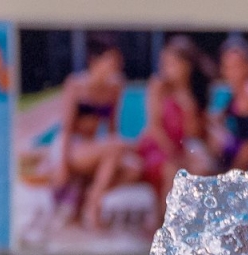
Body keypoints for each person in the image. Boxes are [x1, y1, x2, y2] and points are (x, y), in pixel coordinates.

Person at [53, 34, 140, 230]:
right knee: (118, 145)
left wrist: (118, 151)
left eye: (117, 61)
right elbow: (66, 130)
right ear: (94, 61)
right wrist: (62, 165)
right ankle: (93, 207)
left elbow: (112, 129)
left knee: (134, 168)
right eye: (111, 61)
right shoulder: (76, 85)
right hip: (71, 147)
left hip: (94, 147)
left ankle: (90, 197)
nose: (116, 66)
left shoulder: (115, 87)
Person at [137, 36, 216, 214]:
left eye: (171, 64)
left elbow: (192, 134)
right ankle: (164, 221)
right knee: (172, 170)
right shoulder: (158, 86)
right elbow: (154, 128)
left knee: (202, 167)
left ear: (186, 67)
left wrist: (186, 101)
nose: (166, 69)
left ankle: (195, 220)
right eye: (164, 64)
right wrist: (175, 155)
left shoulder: (193, 94)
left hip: (181, 148)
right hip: (158, 147)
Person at [209, 35, 248, 173]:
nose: (232, 73)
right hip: (233, 156)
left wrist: (232, 174)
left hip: (246, 165)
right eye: (227, 67)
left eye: (236, 67)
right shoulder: (232, 95)